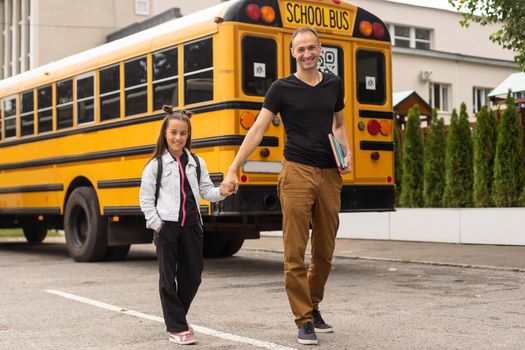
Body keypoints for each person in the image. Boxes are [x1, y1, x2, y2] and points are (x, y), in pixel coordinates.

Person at [221, 26, 351, 345]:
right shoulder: (281, 88)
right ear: (292, 53)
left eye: (311, 48)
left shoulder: (334, 84)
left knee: (325, 250)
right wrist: (233, 167)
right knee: (295, 250)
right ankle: (303, 319)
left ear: (320, 49)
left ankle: (314, 305)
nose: (306, 54)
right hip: (296, 171)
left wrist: (346, 155)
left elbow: (340, 123)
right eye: (300, 49)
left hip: (329, 174)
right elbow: (257, 130)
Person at [140, 106, 231, 345]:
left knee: (193, 275)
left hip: (192, 226)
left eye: (183, 133)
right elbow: (146, 200)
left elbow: (206, 191)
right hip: (167, 227)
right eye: (174, 132)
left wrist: (222, 191)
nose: (178, 138)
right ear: (165, 134)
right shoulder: (155, 166)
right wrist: (157, 225)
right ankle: (176, 327)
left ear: (188, 135)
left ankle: (177, 317)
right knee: (167, 279)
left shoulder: (197, 163)